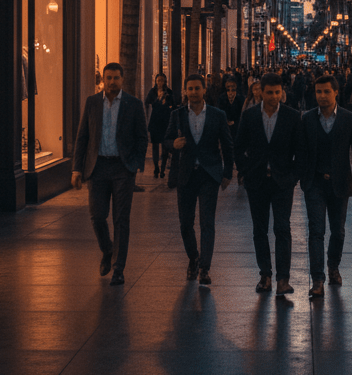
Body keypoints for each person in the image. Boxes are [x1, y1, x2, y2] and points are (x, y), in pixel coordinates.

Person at [71, 62, 148, 286]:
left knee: (121, 219)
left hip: (123, 169)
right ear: (103, 79)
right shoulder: (92, 102)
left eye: (116, 78)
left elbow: (142, 137)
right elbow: (82, 137)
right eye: (108, 78)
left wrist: (136, 164)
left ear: (122, 80)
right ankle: (107, 250)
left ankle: (118, 268)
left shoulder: (133, 104)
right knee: (97, 216)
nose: (112, 82)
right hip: (97, 168)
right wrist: (77, 168)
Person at [234, 73, 304, 295]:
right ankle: (265, 274)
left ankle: (283, 278)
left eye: (277, 92)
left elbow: (300, 151)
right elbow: (239, 147)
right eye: (269, 92)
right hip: (257, 181)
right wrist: (246, 171)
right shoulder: (250, 116)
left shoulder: (293, 117)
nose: (274, 96)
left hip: (282, 181)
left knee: (282, 228)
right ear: (260, 92)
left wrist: (293, 177)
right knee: (259, 229)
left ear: (282, 92)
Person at [300, 75, 352, 298]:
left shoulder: (349, 119)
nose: (322, 96)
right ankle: (317, 278)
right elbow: (300, 151)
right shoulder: (307, 119)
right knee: (316, 231)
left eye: (326, 92)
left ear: (336, 92)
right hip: (315, 183)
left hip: (340, 183)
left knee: (338, 231)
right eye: (318, 92)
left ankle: (333, 266)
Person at [165, 74, 234, 285]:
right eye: (190, 89)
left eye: (197, 88)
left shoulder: (217, 115)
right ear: (185, 91)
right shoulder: (176, 115)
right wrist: (172, 144)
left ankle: (205, 267)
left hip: (208, 175)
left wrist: (227, 173)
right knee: (185, 223)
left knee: (207, 222)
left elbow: (228, 145)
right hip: (185, 175)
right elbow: (166, 139)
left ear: (204, 90)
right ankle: (193, 257)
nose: (193, 92)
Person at [145, 73, 177, 179]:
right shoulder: (153, 92)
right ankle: (156, 168)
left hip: (165, 123)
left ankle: (162, 169)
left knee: (165, 147)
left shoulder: (169, 92)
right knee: (155, 146)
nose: (160, 83)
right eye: (158, 80)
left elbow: (174, 106)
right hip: (155, 122)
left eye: (162, 80)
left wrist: (166, 103)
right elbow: (147, 102)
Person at [217, 75, 245, 141]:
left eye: (232, 88)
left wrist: (235, 122)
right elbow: (219, 111)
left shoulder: (240, 98)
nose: (230, 91)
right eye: (228, 88)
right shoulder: (222, 98)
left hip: (237, 128)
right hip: (225, 128)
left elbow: (242, 113)